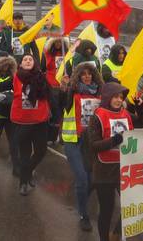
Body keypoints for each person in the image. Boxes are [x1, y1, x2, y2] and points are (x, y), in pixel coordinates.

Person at [88, 82, 143, 241]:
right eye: (115, 96)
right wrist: (115, 140)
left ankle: (117, 232)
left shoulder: (125, 114)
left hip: (125, 168)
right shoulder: (97, 116)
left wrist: (140, 106)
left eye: (121, 97)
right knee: (107, 210)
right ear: (107, 97)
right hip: (104, 171)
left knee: (133, 203)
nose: (119, 100)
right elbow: (94, 145)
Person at [59, 62, 104, 232]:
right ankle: (84, 215)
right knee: (82, 178)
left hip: (91, 142)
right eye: (83, 74)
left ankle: (81, 196)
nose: (86, 76)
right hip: (73, 140)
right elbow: (62, 103)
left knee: (91, 179)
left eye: (89, 73)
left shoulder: (99, 93)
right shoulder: (72, 91)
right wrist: (64, 89)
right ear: (78, 76)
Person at [11, 54, 50, 195]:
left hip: (40, 121)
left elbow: (49, 93)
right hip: (23, 121)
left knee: (41, 151)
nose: (28, 61)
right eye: (25, 59)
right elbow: (2, 84)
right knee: (25, 153)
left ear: (35, 63)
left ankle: (27, 174)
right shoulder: (15, 77)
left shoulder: (41, 77)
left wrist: (63, 86)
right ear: (20, 64)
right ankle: (23, 183)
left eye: (30, 59)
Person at [40, 37, 69, 144]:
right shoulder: (47, 53)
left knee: (62, 111)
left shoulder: (67, 54)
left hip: (63, 86)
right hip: (51, 85)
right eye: (56, 41)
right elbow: (42, 68)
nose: (58, 43)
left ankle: (59, 134)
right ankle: (50, 135)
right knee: (52, 110)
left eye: (60, 41)